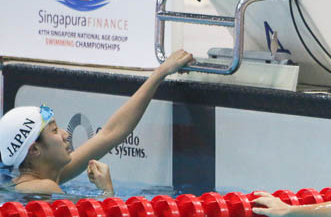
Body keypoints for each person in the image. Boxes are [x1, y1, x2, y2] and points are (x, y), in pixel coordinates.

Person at [0, 49, 195, 196]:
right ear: (34, 150)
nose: (65, 134)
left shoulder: (46, 175)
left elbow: (110, 134)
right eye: (54, 131)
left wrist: (160, 73)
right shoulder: (43, 188)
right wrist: (107, 192)